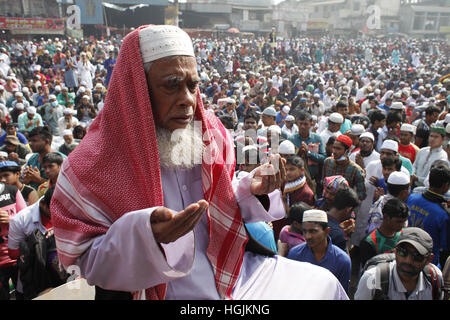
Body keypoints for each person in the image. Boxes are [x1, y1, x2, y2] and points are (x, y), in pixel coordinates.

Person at [50, 25, 347, 300]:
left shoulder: (210, 134)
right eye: (171, 85)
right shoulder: (91, 163)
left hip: (234, 271)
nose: (188, 100)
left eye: (192, 86)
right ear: (138, 90)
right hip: (161, 288)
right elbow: (86, 260)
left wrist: (250, 189)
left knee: (325, 284)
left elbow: (220, 199)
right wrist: (146, 235)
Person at [8, 187, 68, 299]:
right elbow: (13, 253)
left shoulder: (67, 212)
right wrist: (32, 249)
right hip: (34, 283)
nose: (59, 215)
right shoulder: (21, 220)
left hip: (63, 279)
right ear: (44, 204)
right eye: (54, 211)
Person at [355, 227, 443, 300]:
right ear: (395, 251)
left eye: (417, 256)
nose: (408, 261)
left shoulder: (434, 278)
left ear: (429, 259)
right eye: (403, 252)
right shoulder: (372, 279)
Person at [287, 210, 352, 293]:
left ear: (326, 231)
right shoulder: (295, 254)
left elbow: (341, 294)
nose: (308, 236)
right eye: (304, 231)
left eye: (313, 231)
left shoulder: (342, 260)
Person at [407, 165, 450, 267]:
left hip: (405, 252)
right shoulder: (443, 215)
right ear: (445, 186)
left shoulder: (411, 198)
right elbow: (445, 248)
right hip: (427, 264)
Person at [359, 198, 409, 269]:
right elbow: (369, 269)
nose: (402, 225)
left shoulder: (403, 236)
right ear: (386, 217)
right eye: (399, 221)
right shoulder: (370, 242)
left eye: (404, 221)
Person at [0, 180, 27, 300]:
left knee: (24, 295)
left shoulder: (12, 190)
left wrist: (10, 219)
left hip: (18, 257)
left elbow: (27, 219)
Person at [322, 134, 366, 201]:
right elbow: (323, 182)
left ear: (347, 151)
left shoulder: (356, 170)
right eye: (334, 147)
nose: (334, 151)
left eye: (338, 149)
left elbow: (361, 194)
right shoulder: (327, 162)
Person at [288, 111, 326, 185]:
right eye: (300, 123)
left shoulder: (317, 138)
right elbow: (288, 160)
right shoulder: (291, 139)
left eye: (305, 124)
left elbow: (323, 158)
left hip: (313, 179)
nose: (302, 126)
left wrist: (308, 153)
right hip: (295, 179)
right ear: (297, 124)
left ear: (311, 124)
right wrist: (298, 154)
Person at [22, 126, 66, 190]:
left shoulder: (62, 160)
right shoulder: (33, 158)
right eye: (30, 141)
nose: (30, 144)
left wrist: (39, 179)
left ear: (46, 141)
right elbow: (24, 181)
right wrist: (26, 180)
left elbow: (64, 186)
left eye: (34, 141)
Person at [326, 187, 360, 253]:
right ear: (348, 209)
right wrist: (345, 236)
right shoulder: (338, 235)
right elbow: (345, 262)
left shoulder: (319, 217)